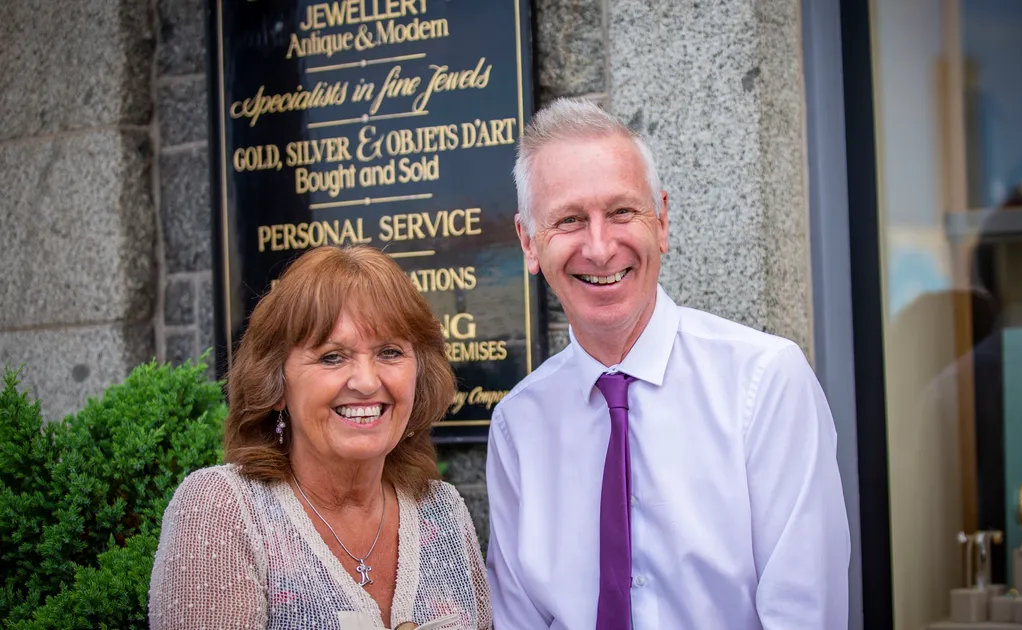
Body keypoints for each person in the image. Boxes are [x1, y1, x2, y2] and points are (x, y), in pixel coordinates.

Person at [485, 98, 850, 628]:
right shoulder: (518, 424)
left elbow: (805, 612)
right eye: (568, 220)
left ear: (662, 220)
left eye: (621, 212)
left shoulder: (766, 382)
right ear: (528, 242)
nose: (600, 247)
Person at [149, 246, 491, 630]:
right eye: (332, 356)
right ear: (275, 385)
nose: (366, 381)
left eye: (390, 352)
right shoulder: (224, 510)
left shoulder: (443, 513)